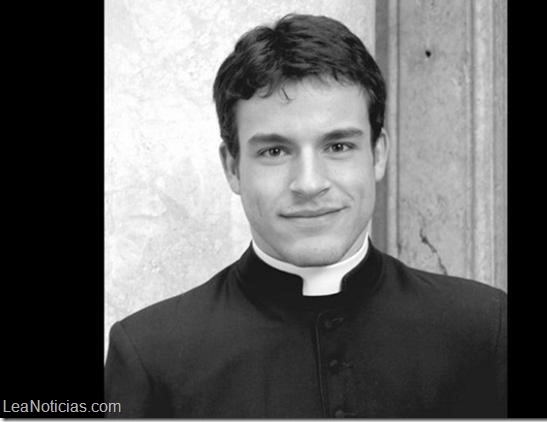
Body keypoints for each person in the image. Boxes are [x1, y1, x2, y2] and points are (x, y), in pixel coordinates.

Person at [104, 13, 507, 418]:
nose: (309, 184)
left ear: (378, 154)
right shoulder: (150, 356)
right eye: (274, 151)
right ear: (232, 167)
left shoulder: (485, 330)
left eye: (338, 146)